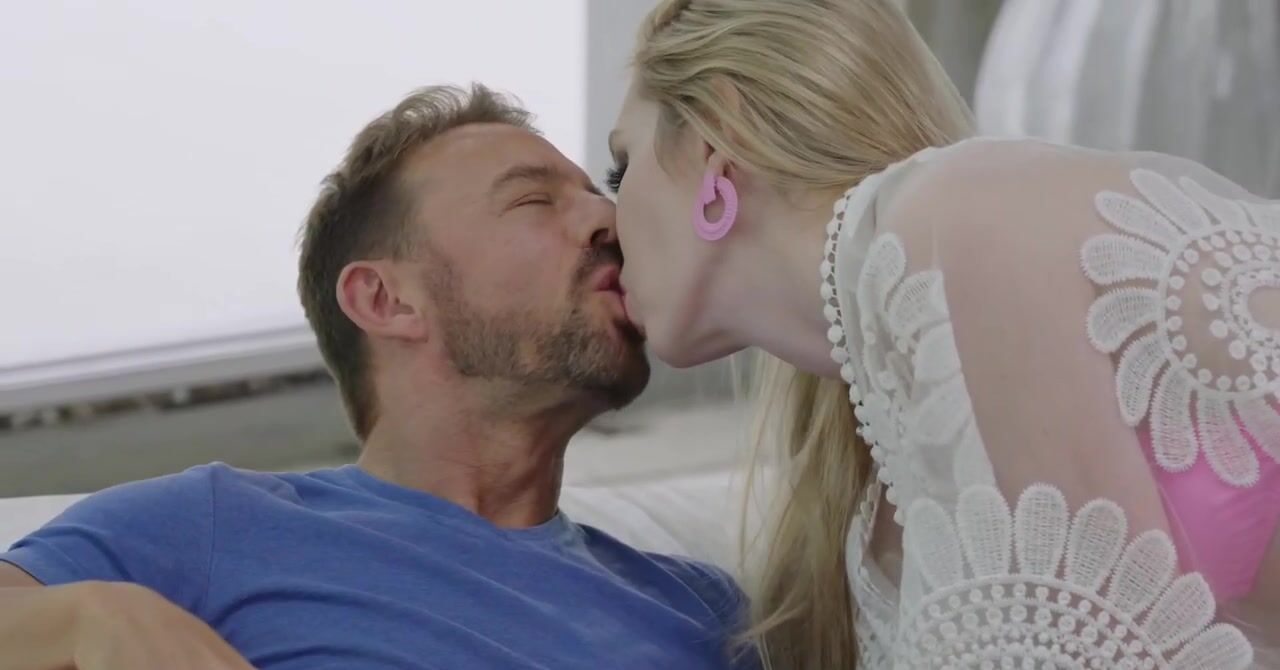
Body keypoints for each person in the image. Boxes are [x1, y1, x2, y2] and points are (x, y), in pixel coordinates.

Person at [605, 0, 1280, 667]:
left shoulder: (953, 224)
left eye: (621, 167)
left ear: (716, 140)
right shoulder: (876, 503)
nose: (606, 226)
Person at [0, 84, 752, 670]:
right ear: (386, 300)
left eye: (600, 195)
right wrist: (90, 618)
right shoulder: (215, 523)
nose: (609, 221)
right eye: (533, 200)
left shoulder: (699, 605)